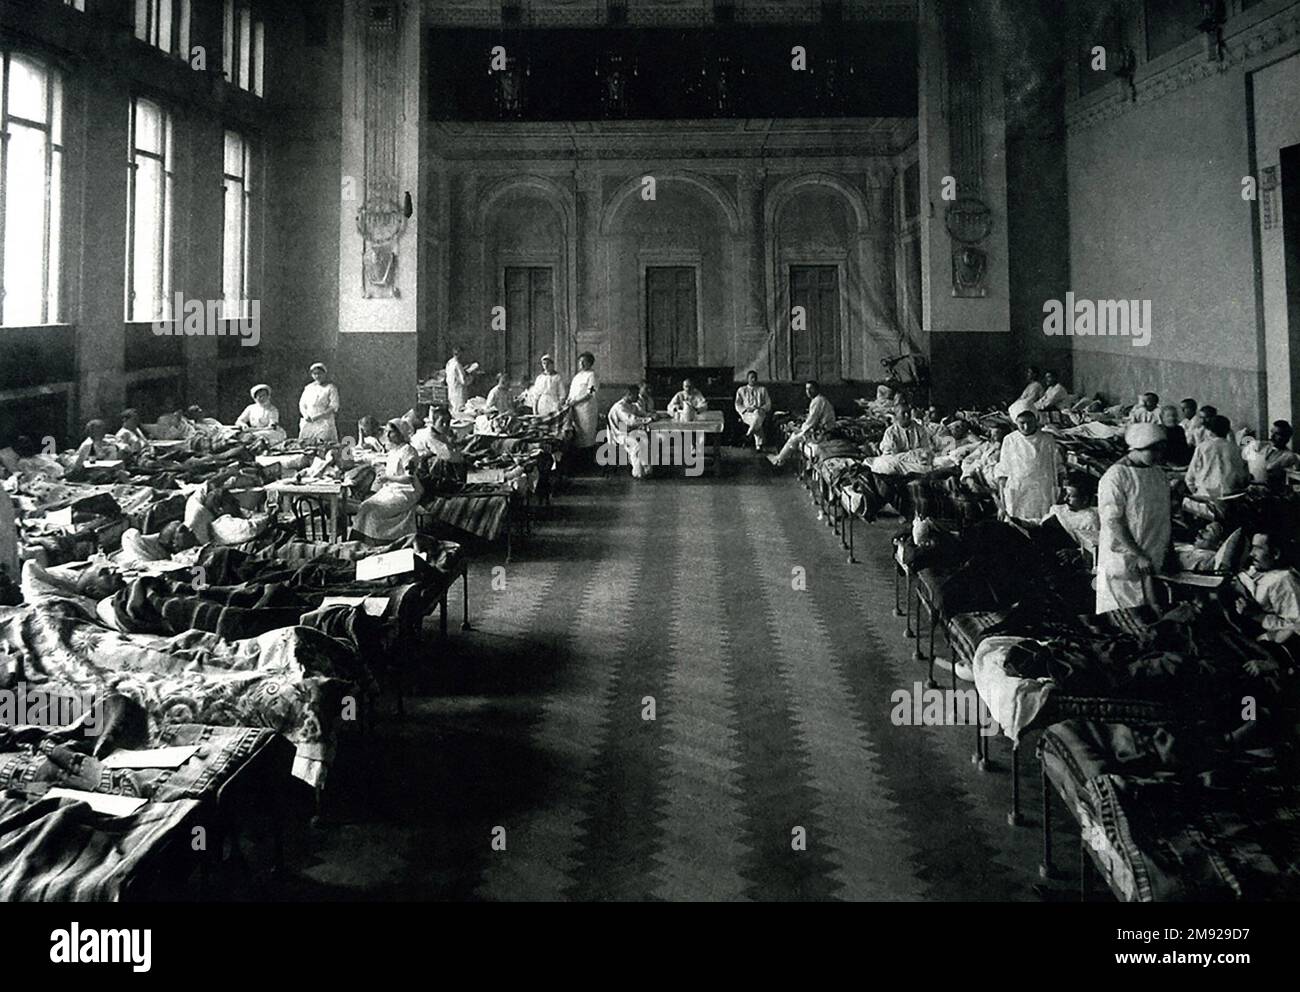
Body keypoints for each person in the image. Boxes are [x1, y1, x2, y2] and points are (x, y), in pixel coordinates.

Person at [1096, 422, 1172, 614]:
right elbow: (1113, 521)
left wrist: (1167, 549)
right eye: (1152, 451)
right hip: (1124, 557)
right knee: (1125, 617)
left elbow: (1164, 517)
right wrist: (1138, 554)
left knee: (1151, 618)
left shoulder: (1158, 473)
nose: (1158, 456)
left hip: (1152, 555)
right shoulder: (1115, 476)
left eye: (1161, 451)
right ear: (1136, 448)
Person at [351, 419, 422, 542]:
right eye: (387, 432)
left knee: (374, 511)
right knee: (365, 506)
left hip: (406, 492)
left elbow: (409, 478)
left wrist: (388, 478)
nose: (388, 435)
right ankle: (358, 542)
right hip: (391, 490)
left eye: (392, 432)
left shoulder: (408, 451)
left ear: (401, 433)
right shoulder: (394, 450)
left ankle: (378, 542)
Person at [995, 400, 1064, 521]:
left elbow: (1058, 468)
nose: (1026, 427)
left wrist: (1060, 494)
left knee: (1042, 526)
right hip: (1018, 493)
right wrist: (1002, 504)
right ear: (1015, 422)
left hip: (1042, 493)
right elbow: (1003, 474)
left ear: (1036, 420)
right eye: (1022, 423)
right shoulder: (1010, 440)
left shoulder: (1047, 439)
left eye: (1030, 422)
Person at [1231, 532, 1300, 641]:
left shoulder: (1283, 579)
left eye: (1258, 548)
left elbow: (1296, 626)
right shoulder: (1259, 571)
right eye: (1252, 548)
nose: (1251, 554)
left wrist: (1256, 615)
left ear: (1276, 554)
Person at [770, 381, 835, 468]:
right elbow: (812, 419)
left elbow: (811, 421)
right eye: (806, 389)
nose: (808, 391)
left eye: (811, 388)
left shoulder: (818, 401)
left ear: (817, 389)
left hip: (824, 432)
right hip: (821, 429)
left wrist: (800, 429)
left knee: (795, 436)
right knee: (795, 434)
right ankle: (780, 459)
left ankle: (779, 459)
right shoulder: (819, 400)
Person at [1185, 414, 1249, 499]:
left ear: (1210, 431)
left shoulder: (1202, 447)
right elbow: (1243, 477)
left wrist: (1196, 491)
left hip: (1206, 496)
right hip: (1232, 496)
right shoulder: (1236, 449)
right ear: (1228, 431)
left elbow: (1190, 477)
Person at [869, 399, 933, 475]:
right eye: (903, 413)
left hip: (916, 463)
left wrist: (910, 455)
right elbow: (889, 454)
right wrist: (910, 454)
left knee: (927, 466)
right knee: (886, 464)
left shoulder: (920, 429)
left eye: (908, 413)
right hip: (898, 463)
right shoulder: (890, 432)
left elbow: (926, 450)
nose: (907, 415)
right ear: (896, 416)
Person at [607, 384, 655, 479]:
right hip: (619, 434)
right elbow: (631, 421)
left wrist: (652, 415)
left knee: (645, 438)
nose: (638, 397)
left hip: (630, 432)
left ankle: (646, 468)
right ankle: (638, 472)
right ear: (629, 394)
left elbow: (642, 414)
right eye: (636, 395)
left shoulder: (632, 405)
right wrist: (649, 419)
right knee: (636, 444)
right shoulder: (620, 407)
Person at [117, 521, 197, 564]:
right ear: (174, 543)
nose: (190, 530)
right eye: (183, 530)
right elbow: (130, 536)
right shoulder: (135, 541)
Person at [299, 362, 340, 444]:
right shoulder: (308, 388)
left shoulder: (330, 388)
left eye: (320, 373)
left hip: (324, 421)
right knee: (306, 443)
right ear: (312, 375)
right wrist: (305, 415)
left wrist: (319, 416)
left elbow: (334, 406)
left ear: (324, 374)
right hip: (309, 421)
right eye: (315, 374)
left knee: (323, 444)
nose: (317, 376)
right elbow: (302, 404)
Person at [567, 352, 601, 449]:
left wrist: (576, 401)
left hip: (587, 410)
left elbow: (590, 393)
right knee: (577, 435)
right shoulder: (577, 377)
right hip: (576, 410)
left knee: (587, 436)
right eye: (580, 362)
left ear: (590, 363)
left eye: (584, 362)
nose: (581, 364)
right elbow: (571, 392)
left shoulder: (592, 376)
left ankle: (588, 459)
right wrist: (568, 400)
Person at [734, 371, 772, 450]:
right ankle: (758, 445)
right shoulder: (741, 390)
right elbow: (737, 404)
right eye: (751, 378)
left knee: (757, 414)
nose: (753, 379)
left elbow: (768, 404)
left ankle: (748, 435)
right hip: (747, 414)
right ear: (747, 379)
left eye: (755, 378)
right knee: (756, 421)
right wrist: (745, 410)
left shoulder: (762, 389)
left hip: (760, 412)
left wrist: (760, 408)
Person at [445, 346, 479, 414]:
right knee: (460, 412)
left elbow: (455, 375)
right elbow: (464, 381)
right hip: (459, 393)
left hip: (451, 391)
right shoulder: (457, 365)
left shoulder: (449, 363)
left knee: (453, 411)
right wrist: (472, 376)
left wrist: (464, 370)